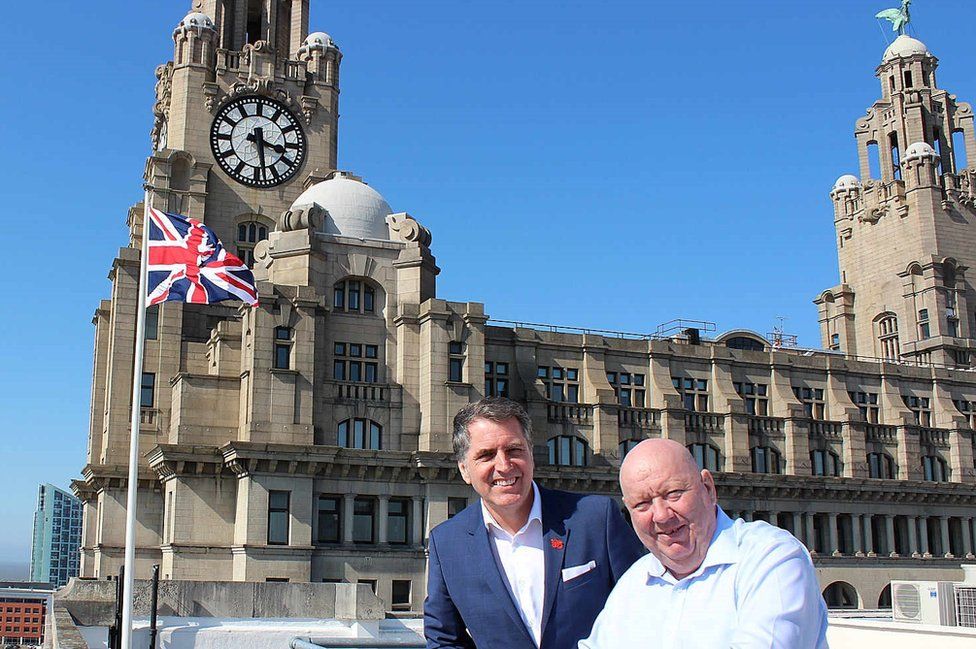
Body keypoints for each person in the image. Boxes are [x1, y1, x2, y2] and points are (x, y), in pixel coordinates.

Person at [424, 397, 645, 649]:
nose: (504, 466)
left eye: (514, 450)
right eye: (486, 455)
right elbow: (444, 640)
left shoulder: (596, 518)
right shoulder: (447, 542)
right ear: (464, 470)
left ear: (531, 454)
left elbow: (643, 607)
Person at [581, 438, 829, 649]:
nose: (661, 515)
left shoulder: (772, 557)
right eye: (642, 504)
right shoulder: (633, 583)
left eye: (673, 493)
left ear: (708, 489)